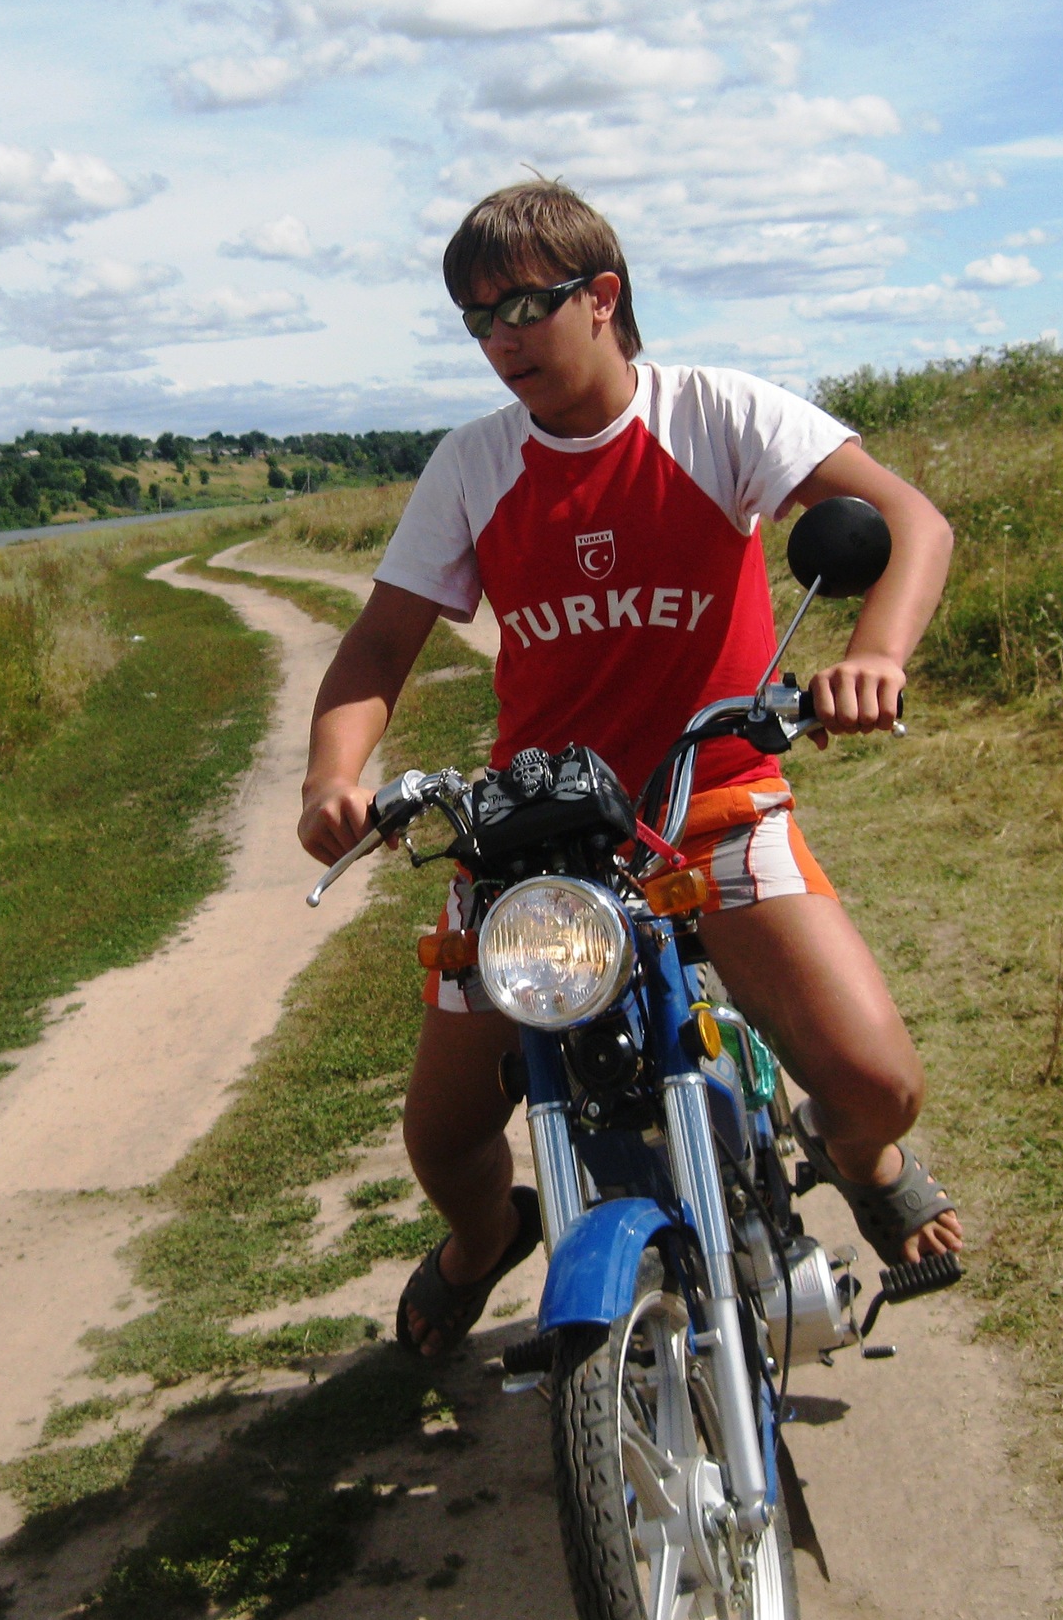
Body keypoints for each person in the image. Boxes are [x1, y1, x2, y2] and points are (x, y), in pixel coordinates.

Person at [296, 179, 963, 1358]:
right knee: (442, 1139)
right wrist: (331, 777)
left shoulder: (714, 413)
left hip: (711, 803)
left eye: (524, 307)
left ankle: (860, 1161)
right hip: (534, 836)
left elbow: (911, 521)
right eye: (477, 320)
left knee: (875, 1083)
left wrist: (874, 655)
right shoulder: (473, 464)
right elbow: (380, 643)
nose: (501, 340)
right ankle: (482, 1242)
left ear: (602, 296)